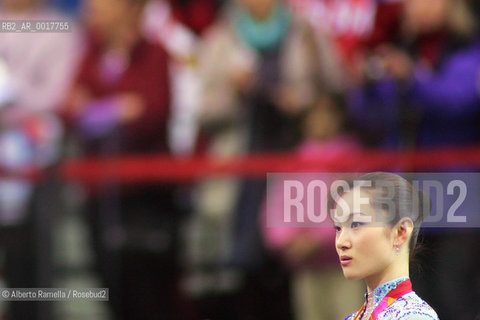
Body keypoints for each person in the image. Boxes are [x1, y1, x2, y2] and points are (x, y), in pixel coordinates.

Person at [332, 172, 439, 320]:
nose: (341, 242)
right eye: (338, 228)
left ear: (400, 232)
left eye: (356, 224)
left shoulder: (414, 316)